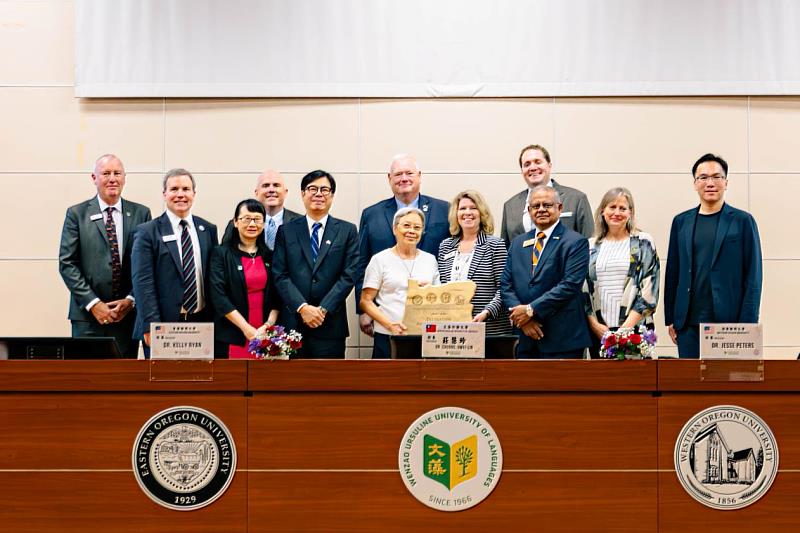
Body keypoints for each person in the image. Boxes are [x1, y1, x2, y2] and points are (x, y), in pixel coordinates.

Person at [664, 153, 763, 358]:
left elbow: (753, 275)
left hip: (730, 323)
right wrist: (671, 317)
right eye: (703, 177)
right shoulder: (681, 222)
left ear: (726, 182)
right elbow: (673, 271)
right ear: (695, 183)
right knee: (690, 387)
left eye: (717, 177)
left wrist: (748, 323)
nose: (710, 183)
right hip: (688, 322)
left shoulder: (743, 221)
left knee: (726, 386)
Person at [58, 154, 152, 358]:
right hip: (87, 316)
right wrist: (94, 304)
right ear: (94, 178)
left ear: (124, 178)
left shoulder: (141, 214)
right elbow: (67, 264)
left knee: (123, 382)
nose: (112, 178)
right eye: (106, 173)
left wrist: (130, 299)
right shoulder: (77, 214)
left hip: (126, 317)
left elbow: (146, 265)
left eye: (117, 173)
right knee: (86, 381)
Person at [356, 154, 449, 338]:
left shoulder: (444, 209)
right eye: (398, 174)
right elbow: (361, 263)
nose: (404, 178)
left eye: (409, 173)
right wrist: (364, 311)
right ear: (389, 179)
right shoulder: (371, 214)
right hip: (386, 320)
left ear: (419, 176)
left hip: (430, 322)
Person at [131, 168, 218, 357]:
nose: (180, 194)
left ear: (194, 194)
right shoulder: (148, 232)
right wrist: (149, 325)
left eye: (186, 189)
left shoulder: (208, 230)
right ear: (164, 194)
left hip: (201, 323)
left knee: (200, 382)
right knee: (165, 383)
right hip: (163, 326)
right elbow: (142, 283)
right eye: (174, 189)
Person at [272, 170, 359, 358]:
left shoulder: (347, 230)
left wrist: (322, 309)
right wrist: (303, 307)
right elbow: (280, 274)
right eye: (312, 189)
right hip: (294, 324)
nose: (318, 194)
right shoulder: (286, 231)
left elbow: (349, 274)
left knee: (330, 384)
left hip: (330, 325)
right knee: (293, 385)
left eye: (324, 189)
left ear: (332, 195)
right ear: (303, 194)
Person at [501, 185, 591, 358]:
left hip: (563, 339)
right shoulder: (518, 243)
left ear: (560, 208)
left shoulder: (575, 242)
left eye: (547, 205)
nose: (541, 209)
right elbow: (506, 285)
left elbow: (570, 285)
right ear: (529, 210)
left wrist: (530, 310)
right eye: (536, 206)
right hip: (525, 338)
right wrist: (522, 320)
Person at [583, 188, 660, 357]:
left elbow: (649, 291)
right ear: (603, 211)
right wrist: (596, 326)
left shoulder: (643, 242)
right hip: (599, 334)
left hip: (635, 331)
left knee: (635, 382)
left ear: (630, 213)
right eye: (612, 207)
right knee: (601, 382)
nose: (617, 213)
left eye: (623, 208)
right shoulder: (590, 246)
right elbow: (584, 292)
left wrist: (624, 330)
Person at [360, 207, 441, 358]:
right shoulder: (380, 259)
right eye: (406, 225)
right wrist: (390, 325)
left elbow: (439, 296)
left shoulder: (430, 260)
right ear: (395, 228)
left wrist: (429, 290)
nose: (412, 231)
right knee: (387, 380)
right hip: (388, 334)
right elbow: (366, 301)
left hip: (424, 335)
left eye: (417, 227)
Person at [209, 199, 280, 359]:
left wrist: (268, 326)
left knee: (263, 381)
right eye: (246, 218)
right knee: (232, 381)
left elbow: (277, 296)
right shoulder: (221, 254)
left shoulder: (270, 255)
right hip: (232, 331)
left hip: (264, 332)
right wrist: (246, 329)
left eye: (257, 219)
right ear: (235, 222)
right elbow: (218, 296)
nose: (252, 224)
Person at [437, 190, 512, 336]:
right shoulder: (445, 246)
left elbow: (504, 288)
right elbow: (441, 285)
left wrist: (487, 312)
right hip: (454, 329)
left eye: (473, 208)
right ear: (456, 214)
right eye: (462, 208)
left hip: (489, 329)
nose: (467, 212)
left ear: (481, 213)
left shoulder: (495, 245)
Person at [501, 144, 593, 247]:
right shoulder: (510, 206)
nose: (533, 167)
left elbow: (589, 242)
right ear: (522, 171)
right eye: (527, 164)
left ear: (549, 165)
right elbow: (505, 251)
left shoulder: (576, 199)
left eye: (538, 162)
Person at [221, 169, 301, 250]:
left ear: (285, 192)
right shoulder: (239, 224)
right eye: (266, 185)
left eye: (276, 185)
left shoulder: (301, 223)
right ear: (257, 192)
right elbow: (224, 254)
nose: (271, 190)